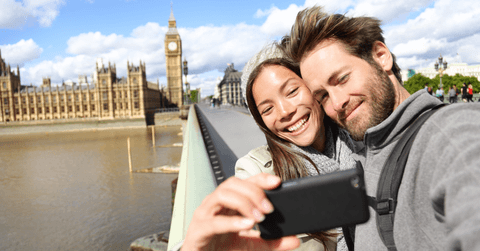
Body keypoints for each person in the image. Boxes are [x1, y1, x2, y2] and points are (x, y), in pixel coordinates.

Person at [282, 6, 480, 250]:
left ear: (380, 56)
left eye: (342, 79)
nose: (337, 103)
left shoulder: (451, 133)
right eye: (322, 96)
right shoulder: (363, 154)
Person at [179, 45, 357, 251]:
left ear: (312, 87)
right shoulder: (256, 173)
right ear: (261, 121)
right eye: (267, 108)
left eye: (291, 91)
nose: (284, 112)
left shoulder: (363, 140)